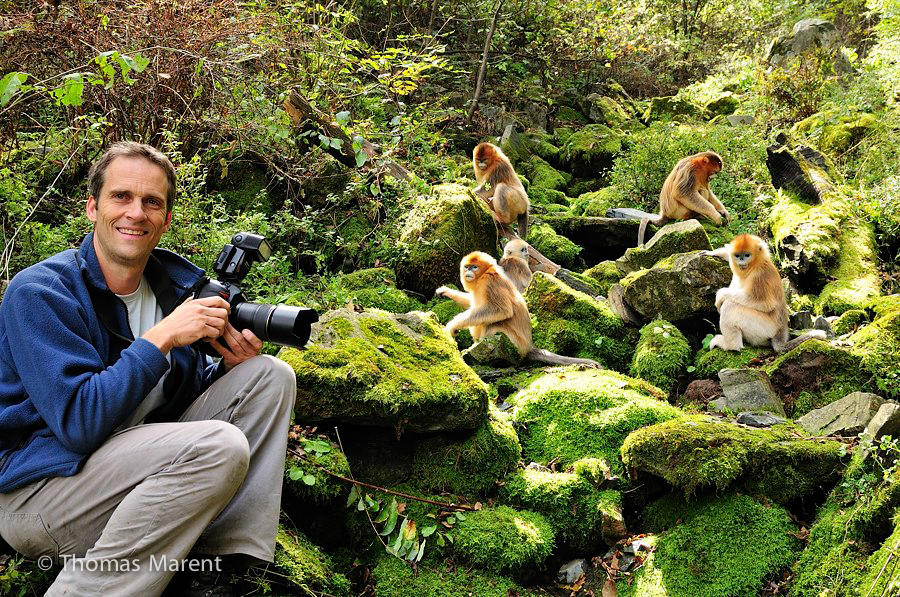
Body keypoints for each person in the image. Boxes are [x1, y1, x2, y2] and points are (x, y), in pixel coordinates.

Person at [0, 142, 297, 596]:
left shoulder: (174, 289)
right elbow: (79, 424)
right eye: (121, 196)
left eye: (151, 202)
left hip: (129, 470)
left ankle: (219, 563)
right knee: (219, 444)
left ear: (167, 218)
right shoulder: (41, 292)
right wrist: (160, 338)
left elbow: (172, 404)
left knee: (271, 377)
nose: (135, 213)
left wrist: (226, 369)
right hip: (41, 494)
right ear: (92, 208)